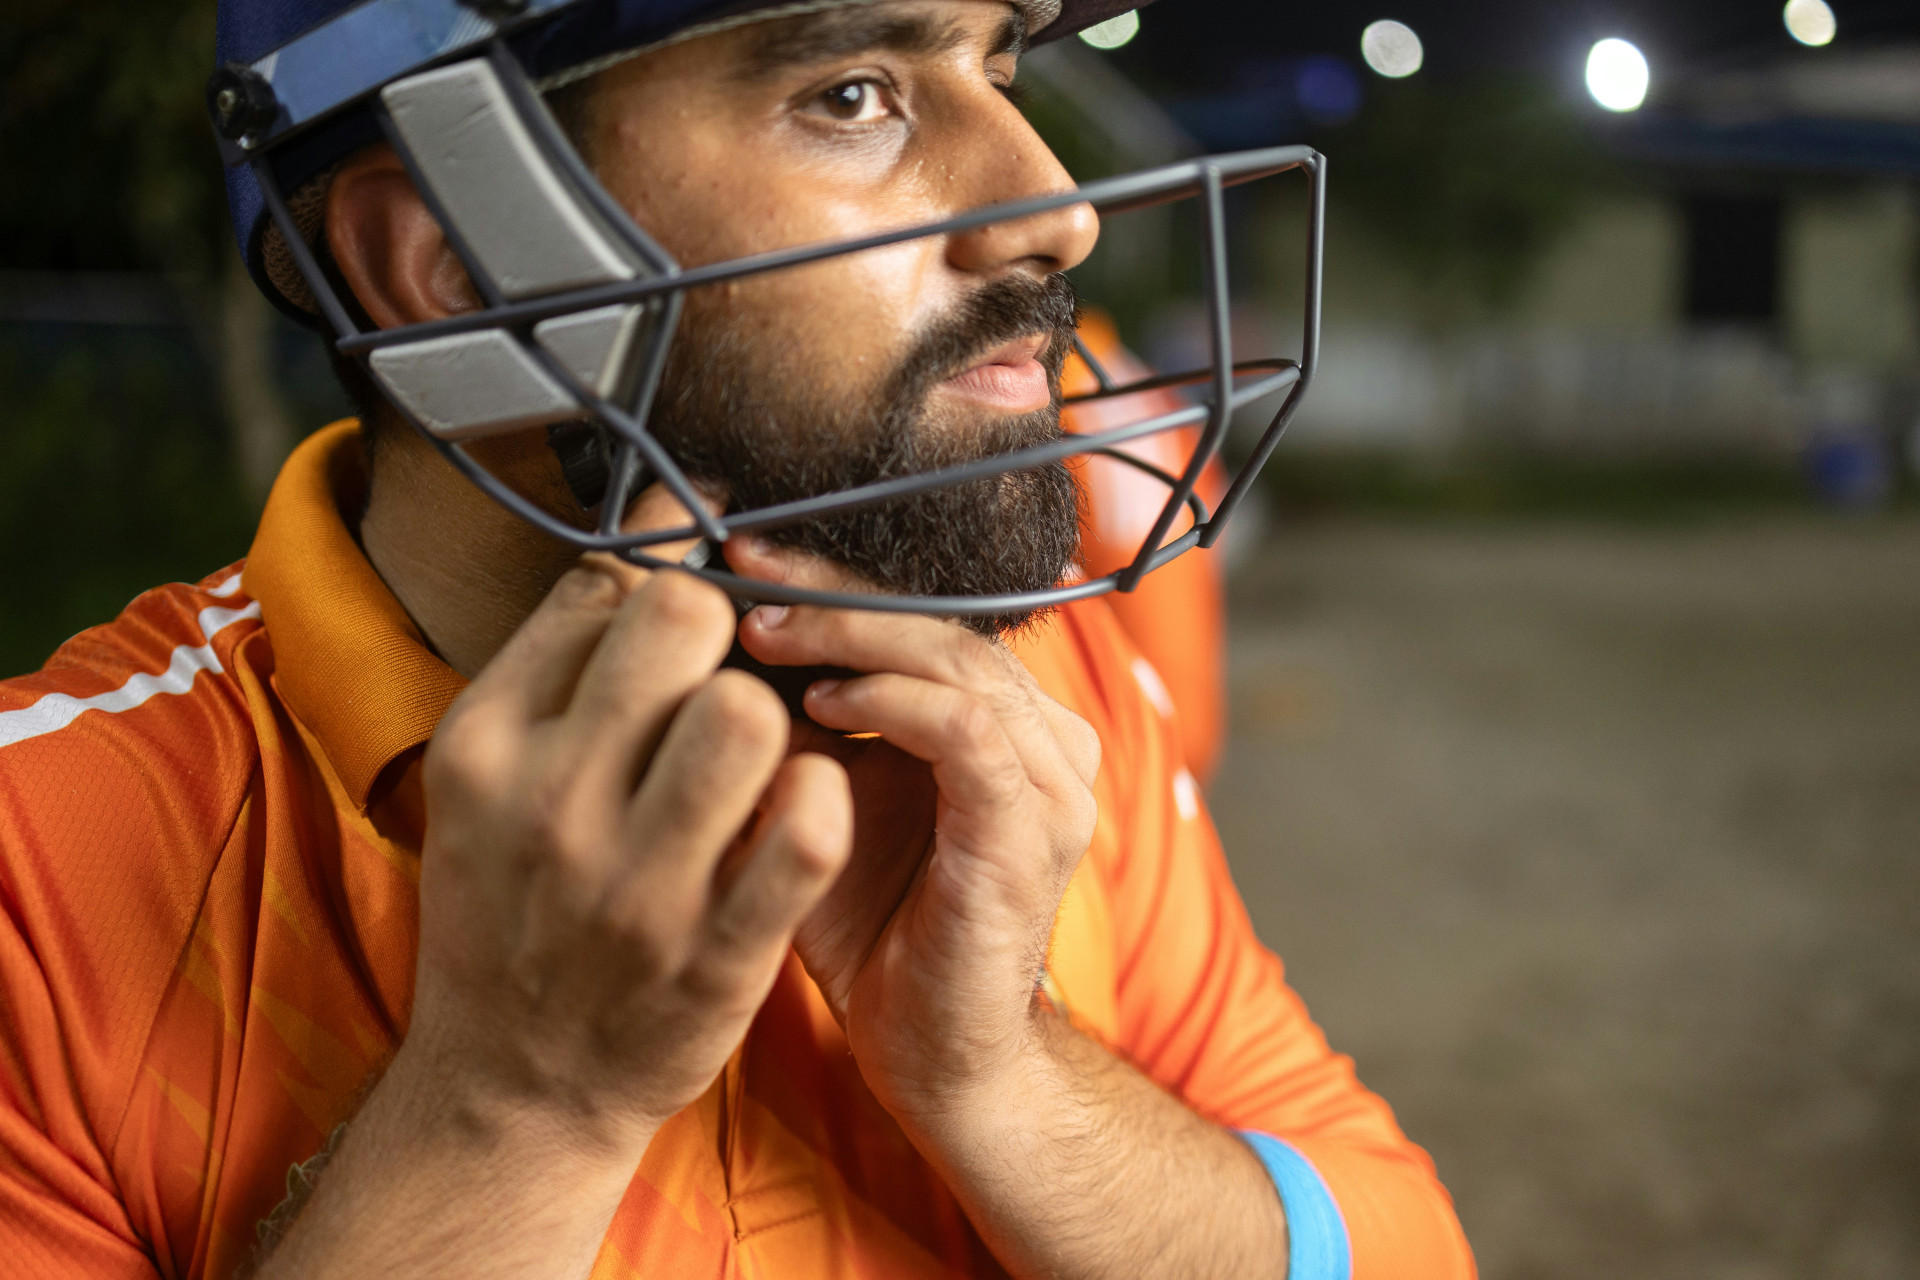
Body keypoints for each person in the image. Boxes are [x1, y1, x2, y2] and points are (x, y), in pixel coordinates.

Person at [0, 1, 1474, 1277]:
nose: (1055, 204)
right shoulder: (41, 883)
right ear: (459, 259)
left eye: (996, 66)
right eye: (854, 95)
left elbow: (1405, 1242)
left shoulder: (1024, 699)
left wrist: (1003, 1078)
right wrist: (513, 1110)